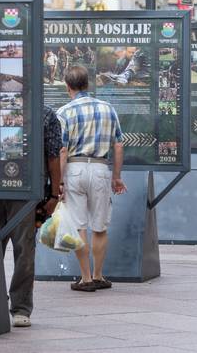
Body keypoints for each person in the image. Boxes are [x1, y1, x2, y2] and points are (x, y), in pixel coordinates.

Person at [56, 65, 127, 292]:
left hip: (74, 169)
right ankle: (98, 275)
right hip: (99, 168)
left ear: (68, 86)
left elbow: (62, 150)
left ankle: (85, 278)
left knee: (79, 226)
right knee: (100, 227)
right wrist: (116, 176)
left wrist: (59, 181)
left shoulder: (64, 112)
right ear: (87, 83)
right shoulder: (108, 109)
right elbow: (118, 145)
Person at [0, 105, 62, 328]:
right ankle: (19, 307)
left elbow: (54, 155)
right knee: (24, 248)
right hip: (23, 188)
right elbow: (53, 156)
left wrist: (53, 193)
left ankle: (5, 303)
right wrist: (53, 194)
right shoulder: (44, 113)